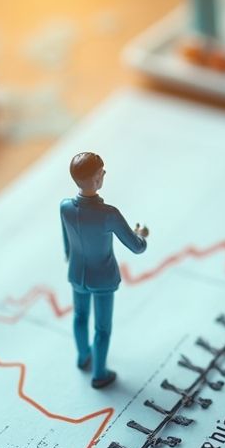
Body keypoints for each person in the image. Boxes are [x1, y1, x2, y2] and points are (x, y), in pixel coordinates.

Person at [61, 152, 149, 389]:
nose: (104, 175)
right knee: (102, 328)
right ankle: (99, 374)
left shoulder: (65, 207)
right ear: (97, 179)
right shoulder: (108, 214)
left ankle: (83, 357)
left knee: (79, 317)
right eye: (102, 173)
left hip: (77, 273)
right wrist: (141, 234)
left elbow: (67, 243)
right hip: (102, 279)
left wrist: (71, 258)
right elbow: (136, 247)